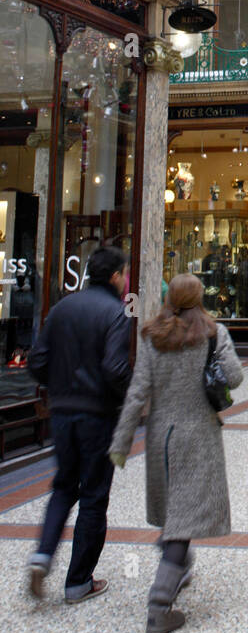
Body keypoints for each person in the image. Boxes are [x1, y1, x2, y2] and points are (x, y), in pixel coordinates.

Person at [109, 274, 243, 633]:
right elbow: (234, 378)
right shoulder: (213, 334)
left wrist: (121, 444)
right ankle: (159, 603)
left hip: (161, 436)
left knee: (176, 510)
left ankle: (178, 564)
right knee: (182, 522)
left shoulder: (153, 336)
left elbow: (138, 393)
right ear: (200, 298)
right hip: (198, 436)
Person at [26, 246, 132, 604]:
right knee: (93, 494)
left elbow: (37, 360)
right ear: (116, 276)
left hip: (62, 413)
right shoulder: (115, 313)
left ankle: (42, 555)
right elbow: (115, 369)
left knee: (62, 486)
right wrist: (128, 397)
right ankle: (78, 581)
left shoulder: (62, 308)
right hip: (97, 416)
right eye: (125, 273)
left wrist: (57, 385)